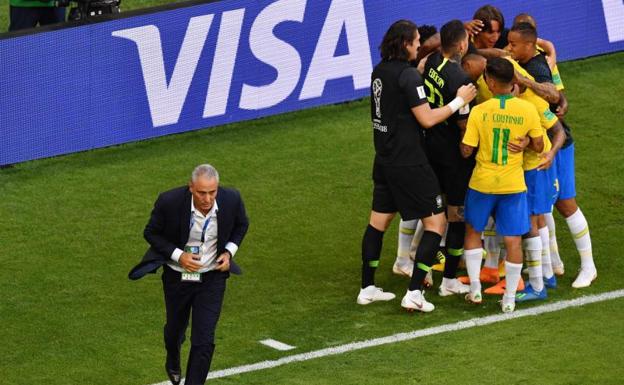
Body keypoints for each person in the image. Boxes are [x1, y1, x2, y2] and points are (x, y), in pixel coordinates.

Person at [357, 19, 476, 313]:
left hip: (383, 159)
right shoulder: (408, 76)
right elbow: (426, 118)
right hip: (409, 161)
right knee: (436, 223)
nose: (418, 46)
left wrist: (419, 73)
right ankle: (414, 293)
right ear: (406, 44)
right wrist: (458, 100)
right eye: (414, 42)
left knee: (377, 223)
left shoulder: (380, 70)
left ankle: (367, 288)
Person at [129, 164, 249, 385]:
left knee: (204, 340)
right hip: (177, 278)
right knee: (174, 332)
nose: (207, 198)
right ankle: (173, 356)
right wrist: (178, 256)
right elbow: (151, 232)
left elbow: (242, 224)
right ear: (191, 187)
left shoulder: (231, 199)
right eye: (202, 192)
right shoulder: (169, 201)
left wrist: (229, 252)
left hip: (211, 278)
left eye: (212, 192)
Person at [509, 22, 597, 288]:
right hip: (540, 144)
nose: (509, 48)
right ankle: (552, 265)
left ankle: (588, 266)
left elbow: (553, 95)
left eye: (513, 44)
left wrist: (523, 80)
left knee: (564, 203)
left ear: (528, 45)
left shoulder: (535, 66)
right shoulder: (526, 57)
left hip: (556, 144)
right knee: (540, 206)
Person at [460, 57, 543, 312]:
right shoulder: (527, 110)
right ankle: (509, 299)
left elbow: (466, 151)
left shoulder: (479, 111)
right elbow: (539, 146)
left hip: (482, 183)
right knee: (513, 240)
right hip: (512, 185)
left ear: (491, 82)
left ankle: (475, 290)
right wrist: (527, 143)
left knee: (474, 232)